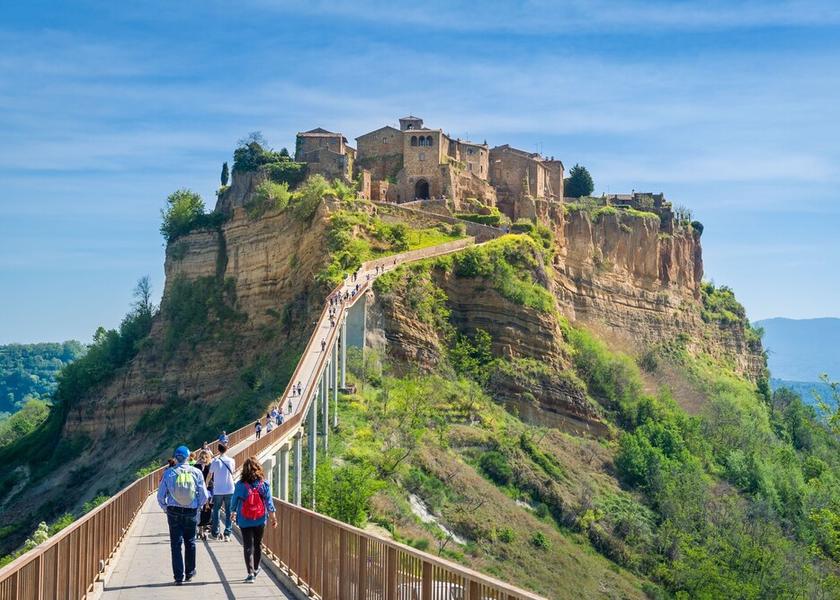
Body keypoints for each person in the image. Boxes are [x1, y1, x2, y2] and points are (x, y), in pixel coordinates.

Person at [156, 445, 209, 586]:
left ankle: (178, 576)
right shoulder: (196, 472)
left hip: (173, 511)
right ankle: (190, 573)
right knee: (190, 542)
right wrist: (197, 506)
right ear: (187, 457)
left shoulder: (169, 473)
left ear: (176, 457)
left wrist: (166, 508)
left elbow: (160, 496)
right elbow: (204, 496)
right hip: (191, 511)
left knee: (175, 544)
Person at [231, 457, 277, 583]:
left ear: (244, 470)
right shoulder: (264, 484)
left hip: (244, 519)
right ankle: (256, 569)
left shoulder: (240, 485)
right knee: (258, 544)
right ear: (258, 468)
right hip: (260, 519)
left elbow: (234, 501)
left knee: (247, 545)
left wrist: (233, 512)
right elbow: (269, 503)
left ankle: (250, 573)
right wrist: (273, 518)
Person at [208, 443, 236, 541]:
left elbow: (210, 474)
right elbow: (233, 471)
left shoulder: (215, 461)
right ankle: (227, 534)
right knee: (229, 511)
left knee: (216, 510)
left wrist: (206, 484)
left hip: (218, 490)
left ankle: (215, 533)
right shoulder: (232, 461)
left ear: (218, 450)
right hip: (229, 489)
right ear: (227, 449)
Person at [195, 449, 214, 540]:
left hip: (208, 489)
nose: (204, 459)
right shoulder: (196, 466)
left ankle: (205, 527)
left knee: (206, 508)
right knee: (200, 509)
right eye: (202, 457)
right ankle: (200, 529)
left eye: (205, 457)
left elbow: (212, 478)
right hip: (201, 490)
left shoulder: (210, 466)